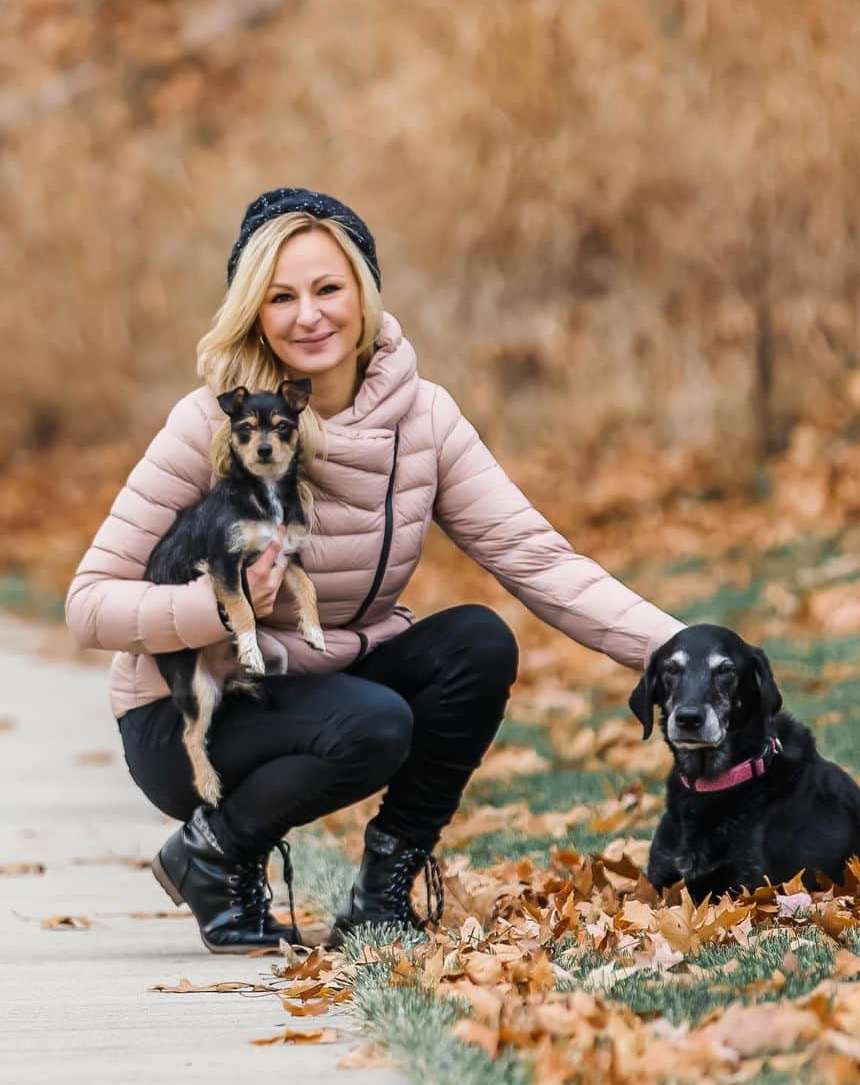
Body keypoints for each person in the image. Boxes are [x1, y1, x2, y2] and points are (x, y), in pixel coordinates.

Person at [65, 188, 686, 953]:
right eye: (280, 297)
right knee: (376, 722)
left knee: (478, 643)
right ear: (254, 312)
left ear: (364, 293)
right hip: (190, 709)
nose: (308, 315)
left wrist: (683, 653)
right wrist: (218, 609)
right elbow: (88, 603)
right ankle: (213, 851)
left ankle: (382, 889)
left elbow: (534, 555)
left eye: (328, 288)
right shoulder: (212, 424)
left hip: (329, 674)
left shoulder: (423, 417)